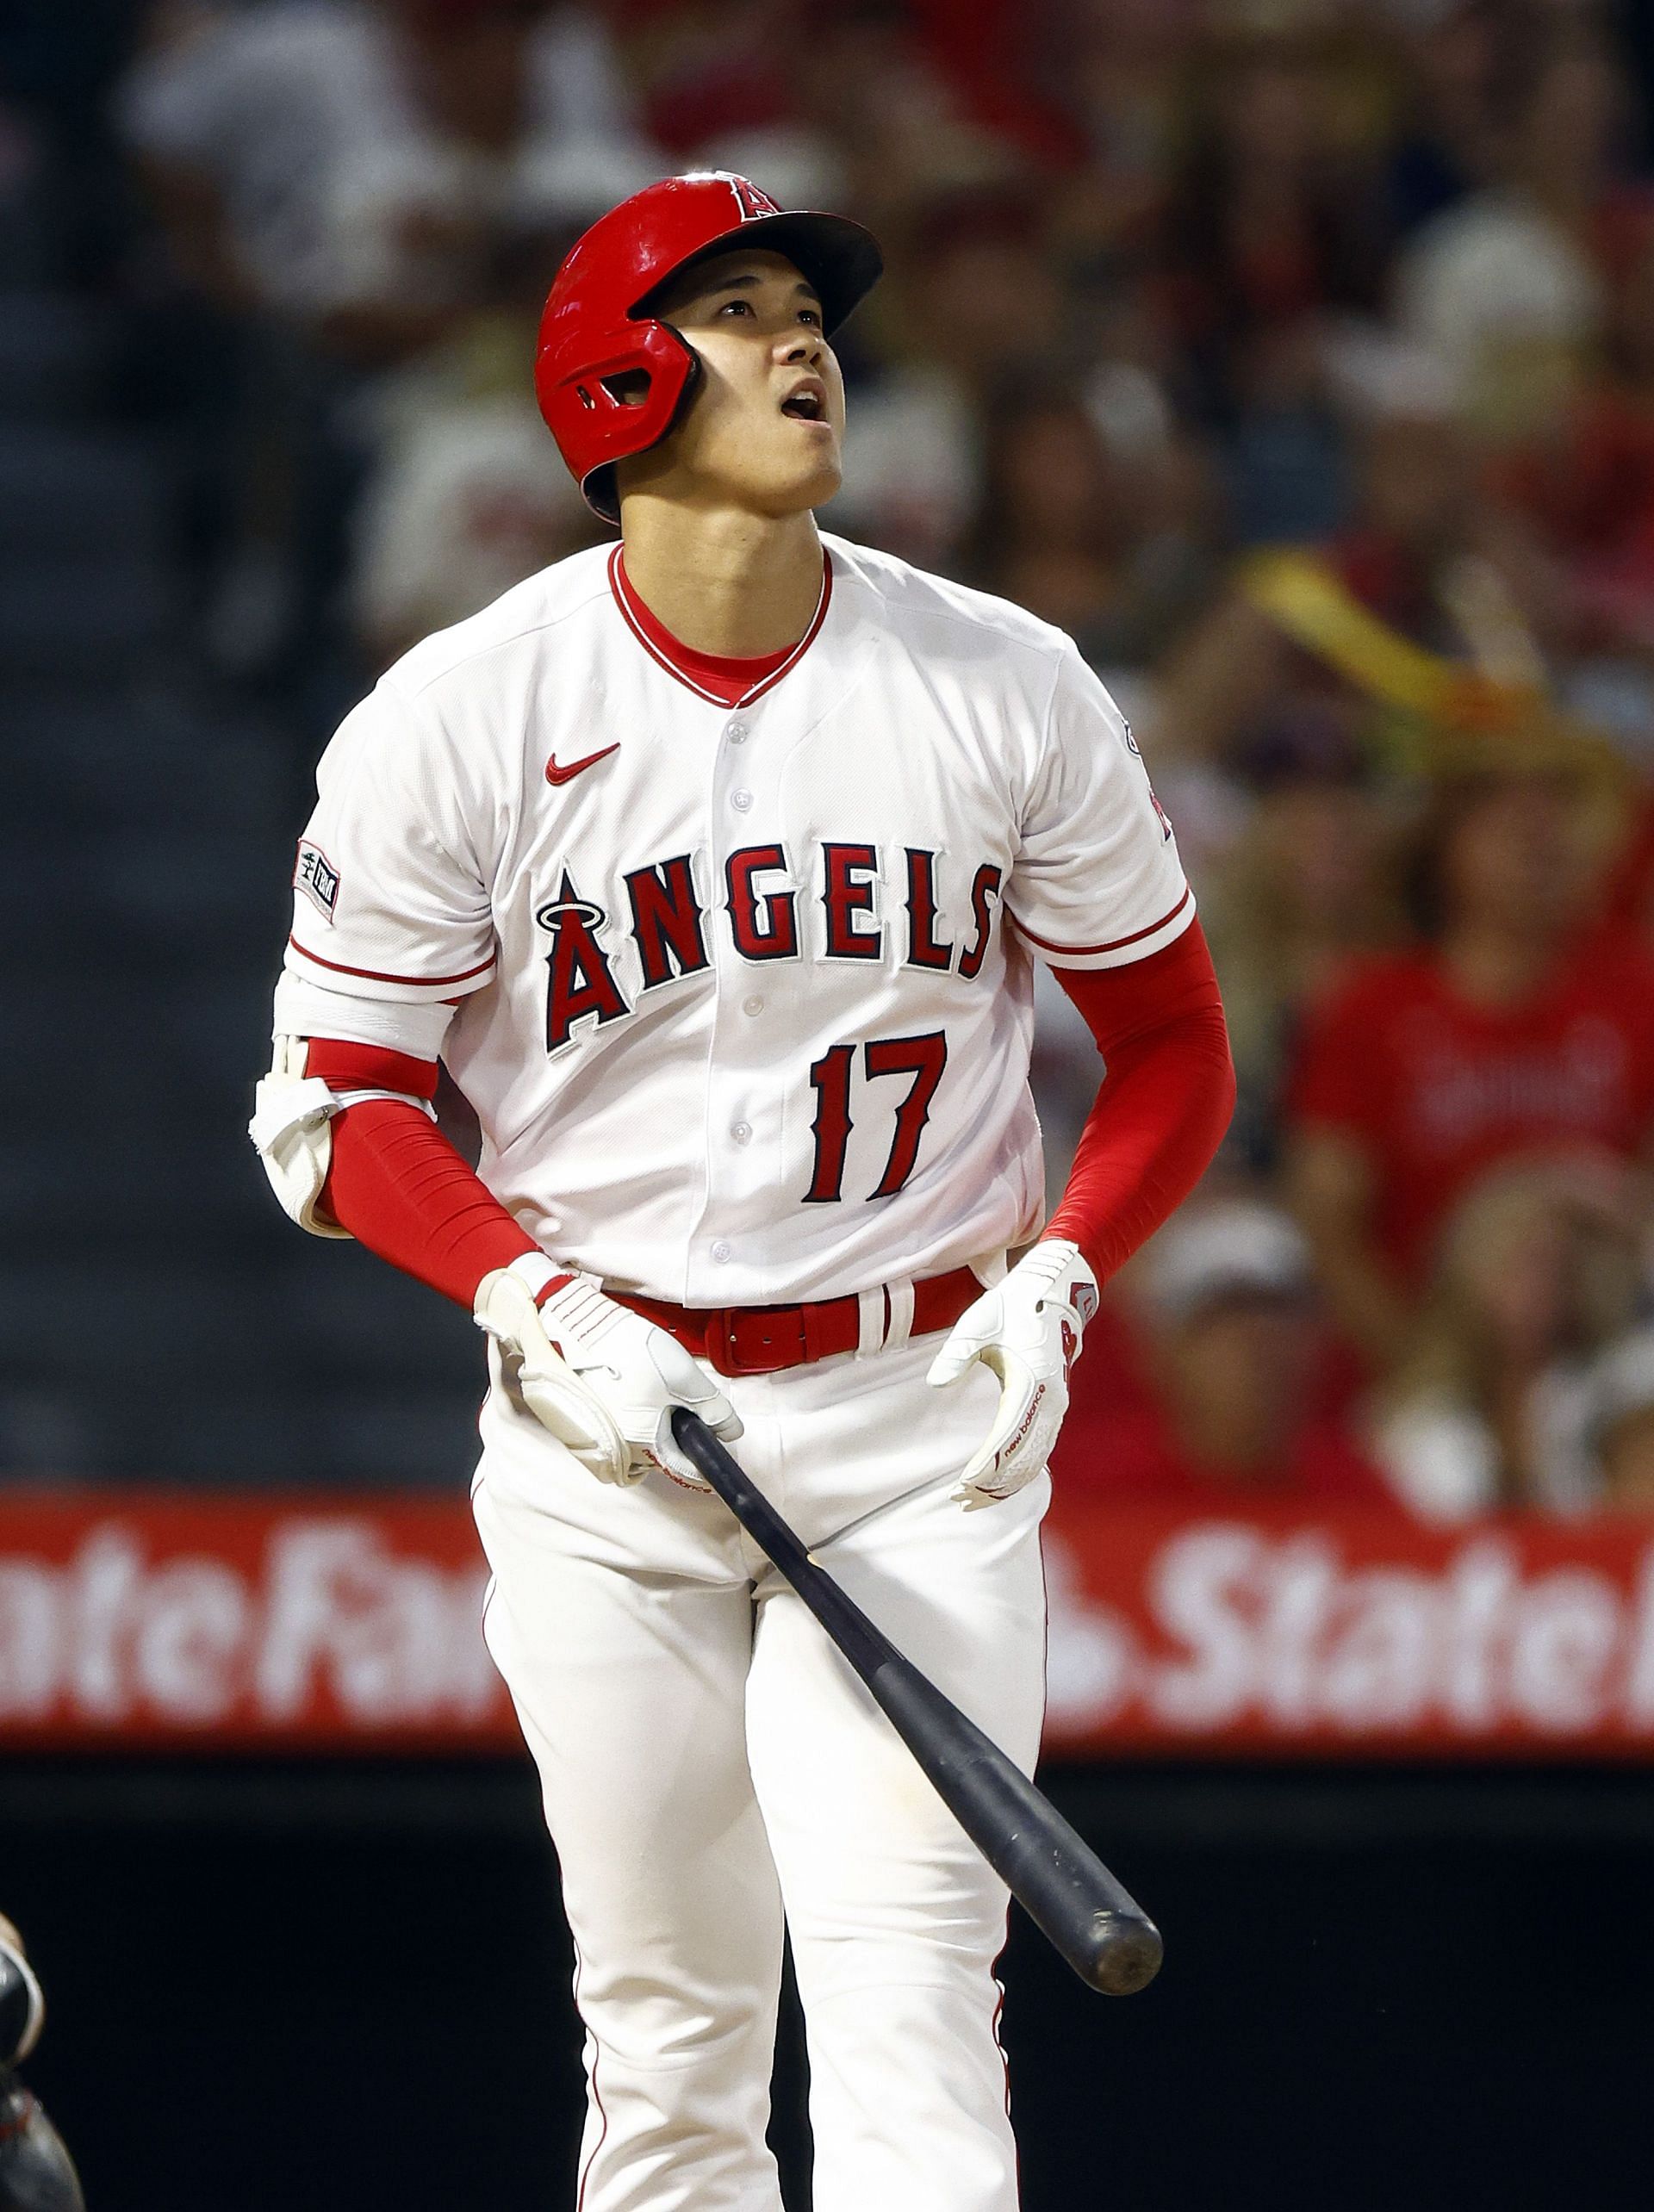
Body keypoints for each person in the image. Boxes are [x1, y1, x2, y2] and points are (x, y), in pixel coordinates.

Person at [250, 171, 1234, 2211]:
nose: (804, 342)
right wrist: (528, 1295)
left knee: (911, 2020)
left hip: (913, 1419)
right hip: (608, 1440)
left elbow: (1172, 1048)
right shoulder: (460, 713)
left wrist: (1064, 1268)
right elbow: (340, 1108)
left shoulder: (1002, 677)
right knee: (675, 2049)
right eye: (738, 308)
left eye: (811, 307)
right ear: (612, 376)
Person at [1052, 1198, 1389, 1507]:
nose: (1260, 1342)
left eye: (1281, 1316)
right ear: (1166, 1352)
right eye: (1225, 1320)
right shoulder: (1093, 1489)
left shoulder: (1357, 1495)